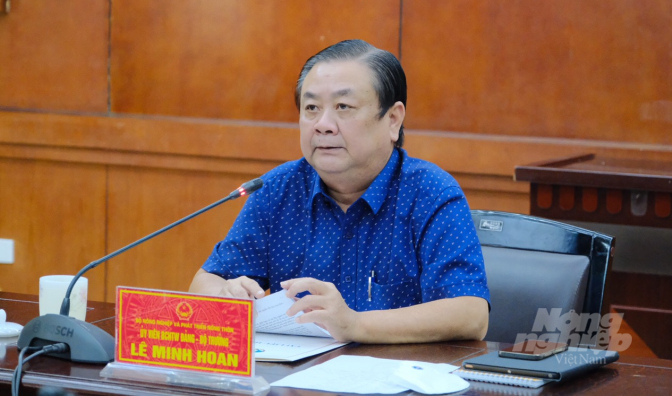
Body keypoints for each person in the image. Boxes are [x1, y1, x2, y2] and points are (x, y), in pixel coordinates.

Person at [190, 39, 490, 343]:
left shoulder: (431, 193)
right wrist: (225, 293)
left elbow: (470, 313)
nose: (323, 125)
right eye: (311, 108)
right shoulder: (277, 190)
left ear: (393, 120)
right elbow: (206, 281)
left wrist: (355, 325)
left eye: (343, 107)